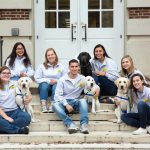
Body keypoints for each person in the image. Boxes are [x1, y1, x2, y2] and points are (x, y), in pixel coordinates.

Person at [53, 59, 97, 134]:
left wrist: (97, 89)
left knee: (83, 101)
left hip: (75, 103)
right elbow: (57, 96)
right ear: (69, 68)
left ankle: (84, 125)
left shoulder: (82, 78)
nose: (74, 68)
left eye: (76, 66)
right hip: (64, 104)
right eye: (72, 67)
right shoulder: (62, 80)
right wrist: (66, 105)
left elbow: (92, 84)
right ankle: (70, 124)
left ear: (78, 68)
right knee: (55, 105)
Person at [0, 66, 31, 134]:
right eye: (4, 73)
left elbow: (27, 90)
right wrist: (6, 117)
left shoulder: (15, 83)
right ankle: (18, 130)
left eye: (8, 73)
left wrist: (29, 98)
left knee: (27, 117)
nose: (6, 75)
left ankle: (5, 128)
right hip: (2, 113)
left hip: (15, 111)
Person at [34, 48, 66, 113]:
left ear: (55, 55)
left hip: (56, 87)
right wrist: (48, 81)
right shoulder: (41, 66)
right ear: (46, 57)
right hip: (45, 88)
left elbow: (65, 78)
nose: (50, 56)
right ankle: (43, 106)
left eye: (52, 54)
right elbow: (36, 78)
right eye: (48, 55)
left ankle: (52, 105)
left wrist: (56, 81)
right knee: (44, 85)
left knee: (56, 86)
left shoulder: (61, 66)